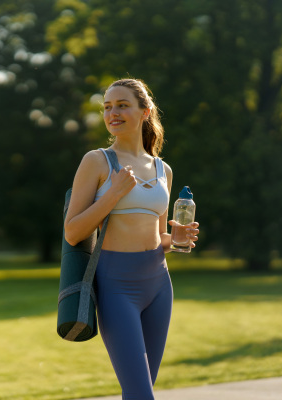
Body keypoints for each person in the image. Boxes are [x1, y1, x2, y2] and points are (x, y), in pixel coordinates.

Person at [64, 78, 199, 399]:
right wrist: (113, 194)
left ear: (145, 111)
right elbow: (73, 232)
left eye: (122, 105)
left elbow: (156, 237)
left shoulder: (162, 169)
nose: (113, 113)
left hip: (158, 284)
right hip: (116, 286)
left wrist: (176, 238)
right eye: (108, 107)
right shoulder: (97, 161)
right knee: (141, 394)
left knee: (139, 392)